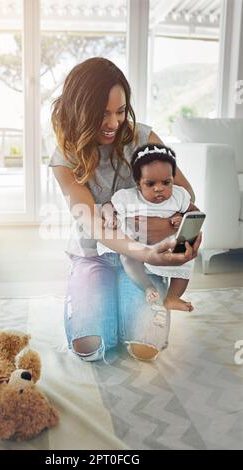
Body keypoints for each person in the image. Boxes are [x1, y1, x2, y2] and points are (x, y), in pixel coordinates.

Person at [49, 57, 201, 362]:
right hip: (94, 256)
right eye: (102, 114)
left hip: (143, 262)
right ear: (80, 111)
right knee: (88, 346)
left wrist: (185, 229)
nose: (114, 124)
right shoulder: (64, 158)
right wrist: (145, 252)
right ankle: (97, 290)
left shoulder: (144, 139)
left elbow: (185, 193)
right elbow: (93, 224)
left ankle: (125, 299)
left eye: (120, 112)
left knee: (145, 349)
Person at [98, 143, 200, 312]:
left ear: (173, 179)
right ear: (138, 183)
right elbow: (107, 206)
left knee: (186, 261)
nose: (159, 188)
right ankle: (147, 287)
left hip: (167, 246)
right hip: (137, 246)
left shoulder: (178, 196)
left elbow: (194, 212)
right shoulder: (128, 197)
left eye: (166, 182)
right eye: (150, 184)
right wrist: (110, 216)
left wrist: (182, 219)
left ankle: (173, 296)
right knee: (128, 258)